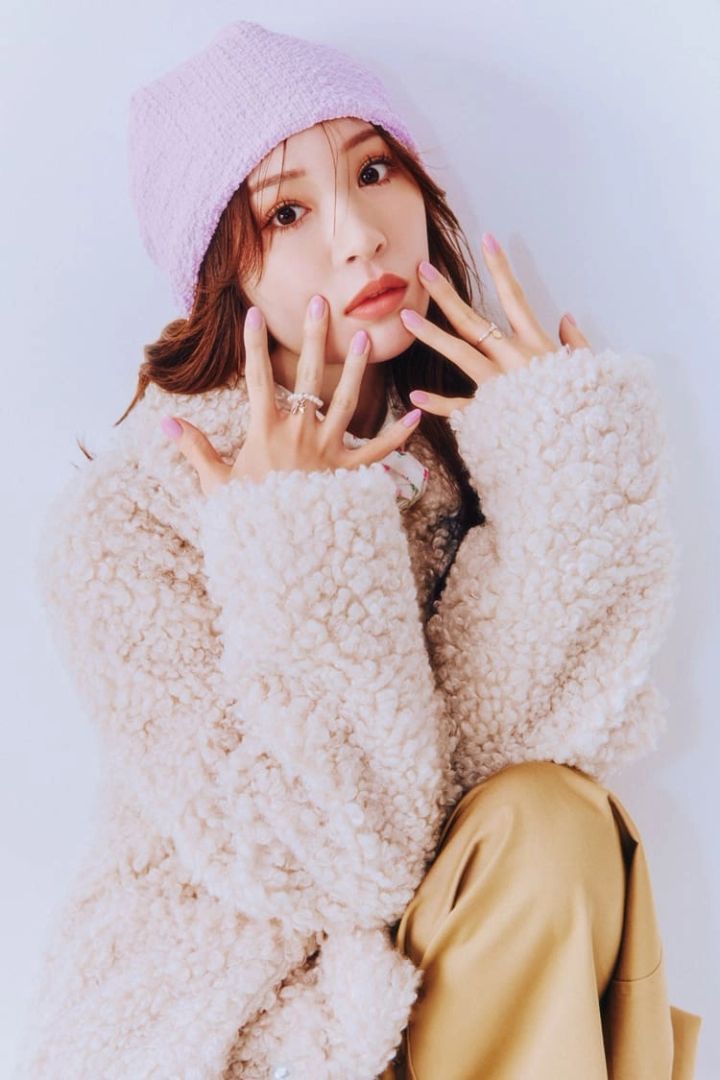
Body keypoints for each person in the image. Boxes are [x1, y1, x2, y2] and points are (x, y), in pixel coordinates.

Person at [17, 19, 701, 1080]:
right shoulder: (130, 527)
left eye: (374, 170)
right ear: (222, 278)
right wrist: (298, 537)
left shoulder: (460, 470)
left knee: (555, 817)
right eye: (286, 212)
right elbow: (346, 862)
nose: (359, 237)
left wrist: (561, 467)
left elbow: (492, 781)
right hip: (236, 1034)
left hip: (443, 997)